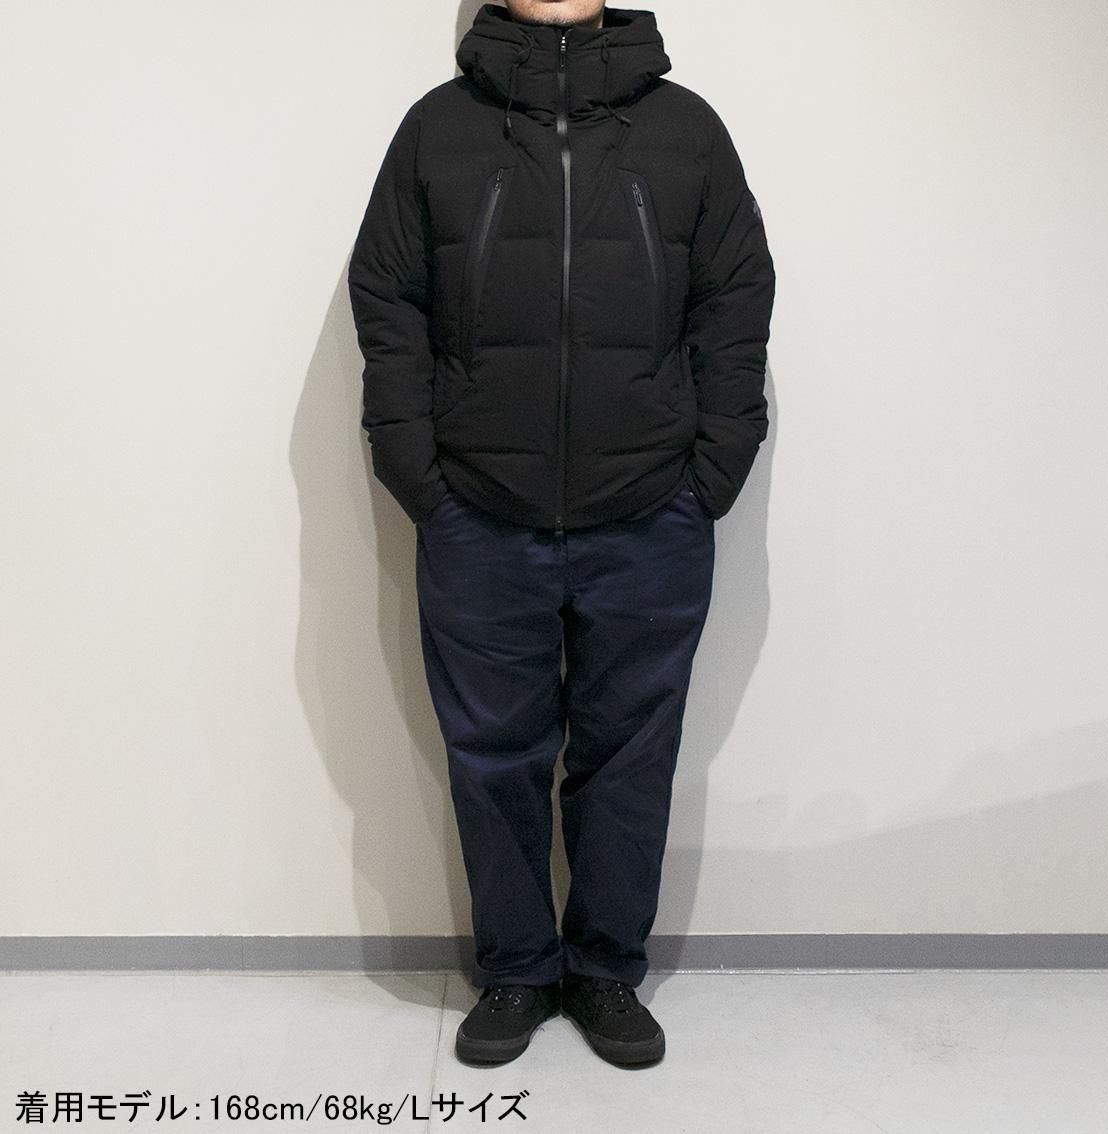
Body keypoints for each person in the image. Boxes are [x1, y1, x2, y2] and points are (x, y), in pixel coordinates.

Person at [347, 0, 775, 1068]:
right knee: (492, 757)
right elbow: (388, 298)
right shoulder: (438, 129)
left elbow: (735, 300)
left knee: (630, 758)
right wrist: (420, 476)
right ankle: (518, 971)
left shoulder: (687, 131)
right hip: (479, 515)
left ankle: (604, 971)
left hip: (651, 515)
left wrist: (710, 474)